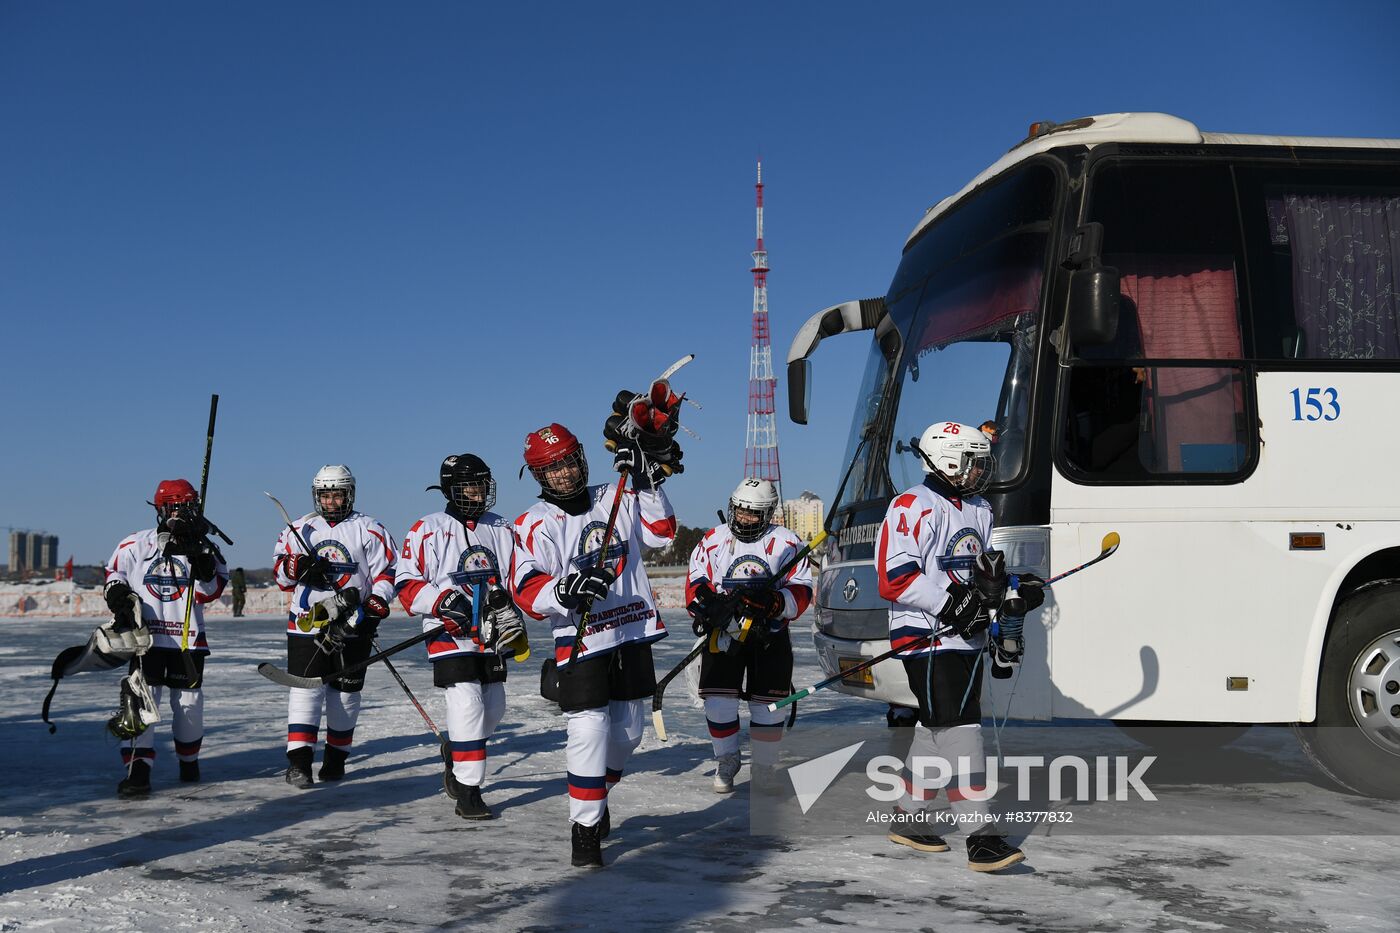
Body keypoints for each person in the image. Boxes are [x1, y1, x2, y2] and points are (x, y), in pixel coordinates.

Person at [875, 421, 1044, 873]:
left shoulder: (981, 509)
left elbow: (981, 569)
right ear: (949, 461)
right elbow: (896, 579)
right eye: (974, 462)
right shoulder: (912, 506)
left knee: (937, 728)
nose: (980, 470)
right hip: (925, 637)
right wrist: (954, 607)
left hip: (964, 636)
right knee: (961, 729)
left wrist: (1012, 588)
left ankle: (909, 820)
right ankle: (980, 835)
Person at [512, 419, 678, 868]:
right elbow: (526, 586)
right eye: (552, 469)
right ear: (539, 476)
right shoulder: (532, 523)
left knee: (627, 736)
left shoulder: (617, 494)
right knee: (587, 731)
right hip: (579, 640)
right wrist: (562, 591)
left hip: (630, 631)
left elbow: (662, 535)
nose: (563, 474)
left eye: (567, 462)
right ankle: (584, 829)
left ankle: (597, 795)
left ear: (580, 458)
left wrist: (646, 481)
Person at [396, 454, 527, 820]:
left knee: (494, 706)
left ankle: (457, 748)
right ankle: (468, 790)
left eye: (483, 483)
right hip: (449, 633)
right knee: (467, 703)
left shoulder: (501, 527)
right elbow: (406, 583)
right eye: (471, 483)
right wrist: (442, 601)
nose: (479, 490)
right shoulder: (427, 528)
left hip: (492, 631)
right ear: (450, 488)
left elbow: (518, 576)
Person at [102, 479, 228, 797]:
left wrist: (201, 558)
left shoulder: (204, 546)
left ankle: (189, 762)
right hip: (145, 639)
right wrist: (117, 593)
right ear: (161, 509)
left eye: (187, 507)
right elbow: (114, 574)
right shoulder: (135, 544)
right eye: (175, 506)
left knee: (188, 704)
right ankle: (138, 772)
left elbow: (210, 591)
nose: (181, 513)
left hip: (187, 639)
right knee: (141, 701)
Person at [685, 478, 813, 792]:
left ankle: (765, 766)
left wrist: (775, 603)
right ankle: (727, 759)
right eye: (740, 510)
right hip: (724, 635)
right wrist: (708, 607)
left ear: (768, 513)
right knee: (718, 701)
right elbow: (695, 582)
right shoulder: (713, 539)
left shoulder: (787, 542)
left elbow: (802, 590)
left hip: (768, 636)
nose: (744, 517)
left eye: (752, 513)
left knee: (768, 706)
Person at [273, 465, 397, 788]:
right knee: (305, 692)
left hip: (353, 625)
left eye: (337, 493)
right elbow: (280, 575)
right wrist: (296, 565)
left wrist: (376, 603)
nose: (330, 500)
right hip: (306, 623)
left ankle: (335, 760)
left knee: (345, 695)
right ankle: (299, 763)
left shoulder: (369, 529)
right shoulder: (300, 529)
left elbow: (389, 573)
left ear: (349, 493)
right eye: (325, 494)